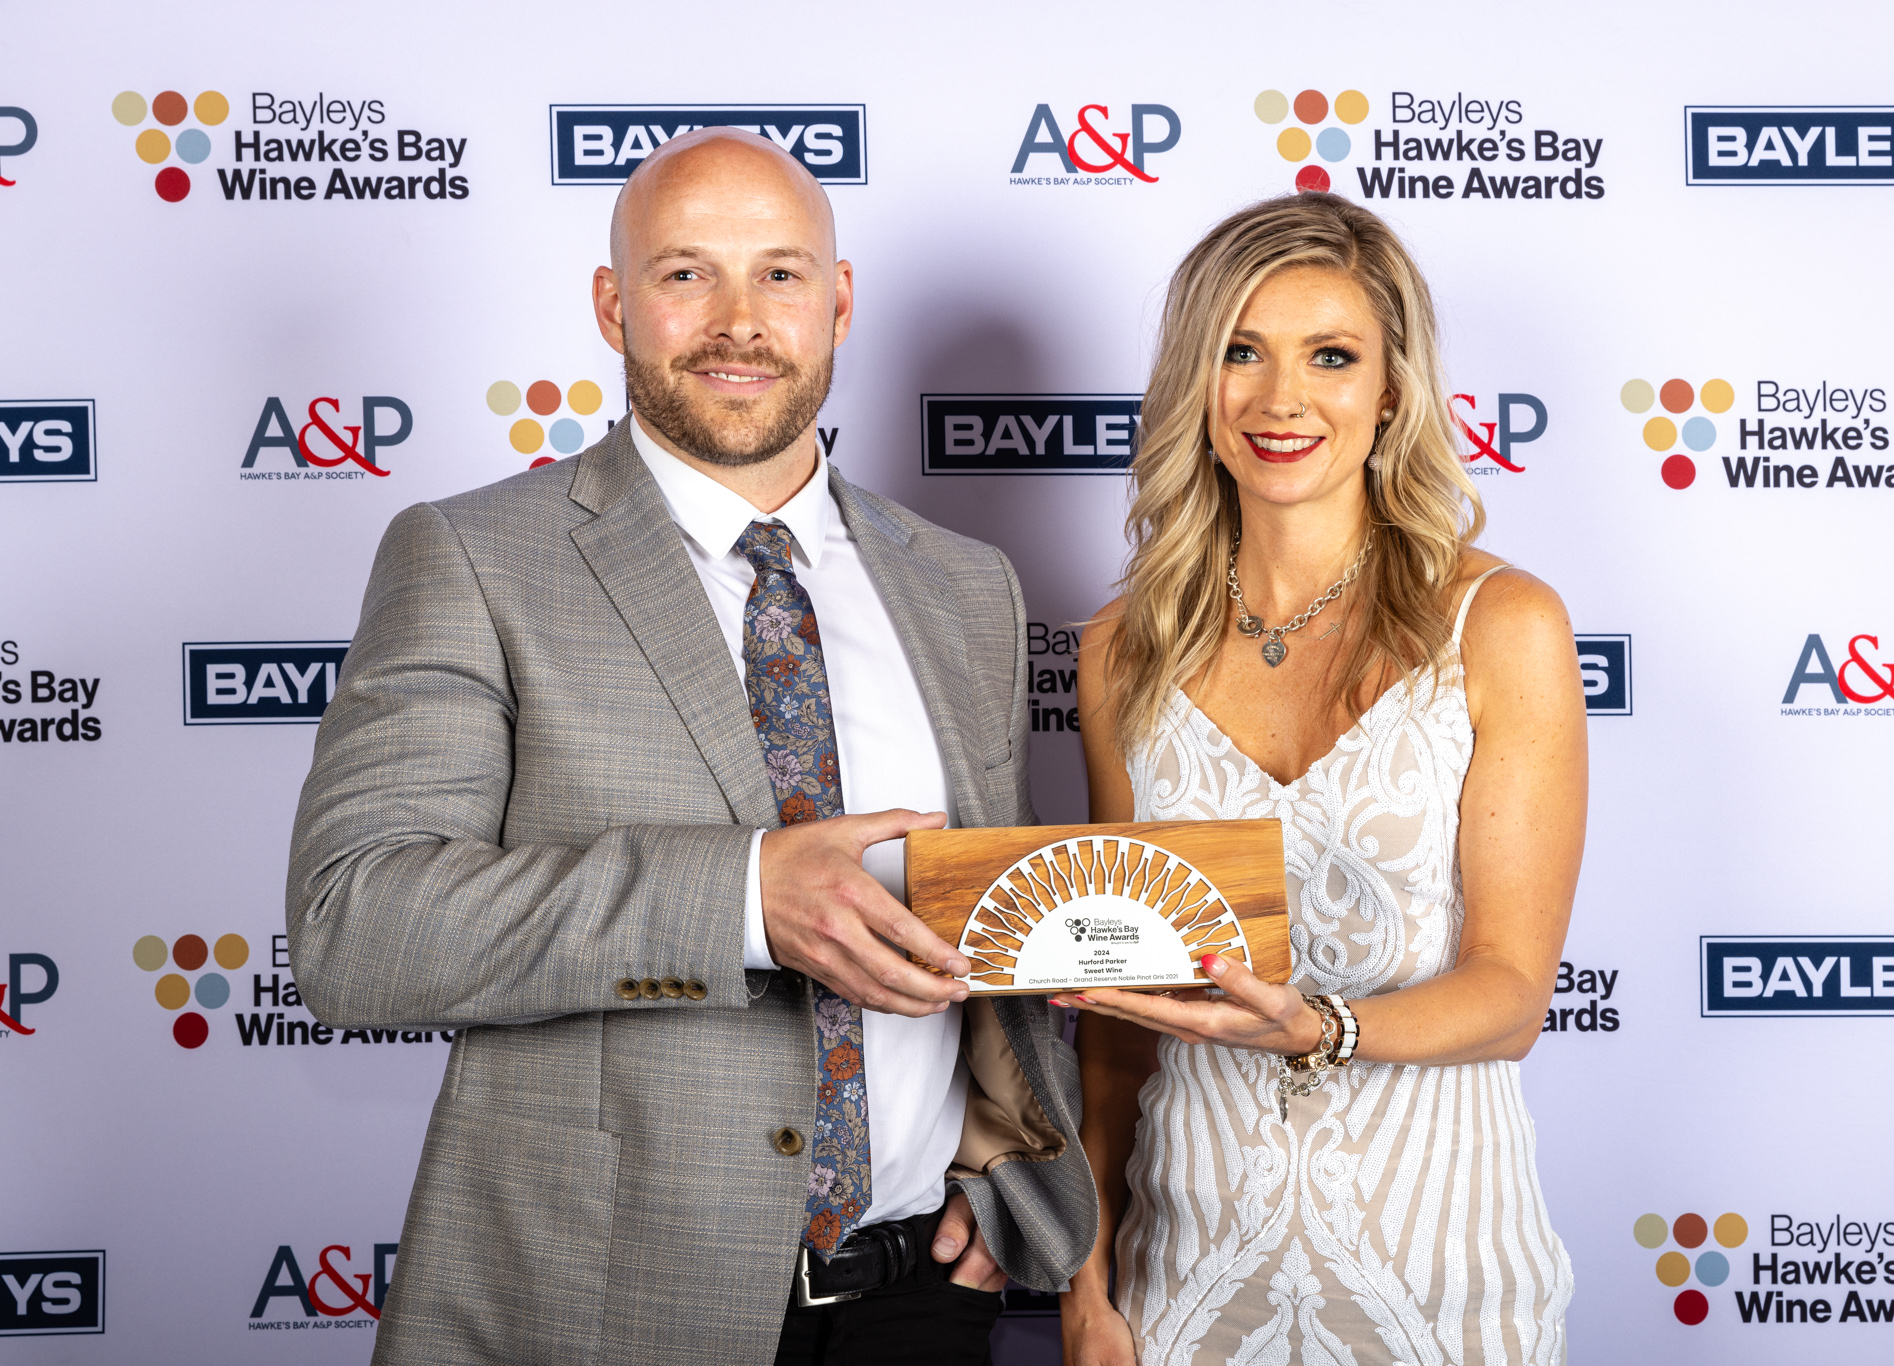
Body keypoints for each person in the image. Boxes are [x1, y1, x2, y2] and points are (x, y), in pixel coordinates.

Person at [286, 128, 1095, 1366]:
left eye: (778, 274)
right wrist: (741, 900)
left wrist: (1008, 1176)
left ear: (837, 301)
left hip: (918, 1301)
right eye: (684, 274)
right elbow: (358, 925)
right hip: (607, 1305)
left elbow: (987, 921)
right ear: (613, 305)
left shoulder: (964, 584)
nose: (738, 322)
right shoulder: (472, 557)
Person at [1056, 193, 1583, 1366]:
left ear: (1390, 390)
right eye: (1240, 352)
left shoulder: (1500, 624)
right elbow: (1116, 1023)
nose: (1279, 398)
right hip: (1185, 1272)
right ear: (1194, 383)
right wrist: (1086, 1285)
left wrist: (1320, 1026)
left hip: (1438, 1268)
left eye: (1330, 356)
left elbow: (1510, 993)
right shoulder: (1120, 649)